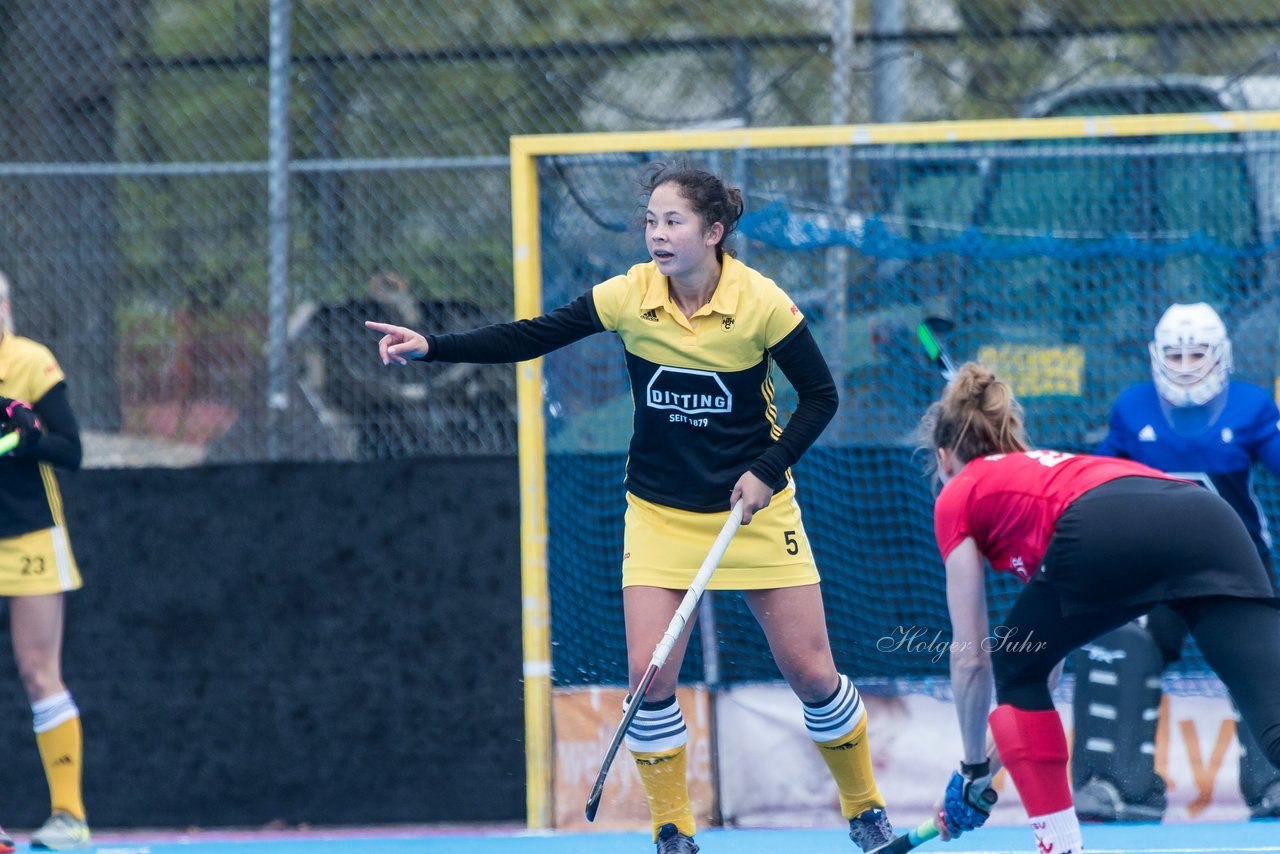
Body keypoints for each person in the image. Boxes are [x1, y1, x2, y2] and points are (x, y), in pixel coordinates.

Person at [366, 162, 895, 853]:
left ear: (714, 231)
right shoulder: (629, 296)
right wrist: (434, 347)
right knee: (650, 678)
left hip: (755, 514)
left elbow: (821, 397)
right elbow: (533, 334)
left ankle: (864, 810)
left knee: (813, 673)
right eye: (650, 221)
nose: (657, 235)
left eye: (673, 221)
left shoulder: (761, 302)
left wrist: (767, 471)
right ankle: (673, 830)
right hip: (658, 515)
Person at [918, 361, 1280, 854]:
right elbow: (1042, 677)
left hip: (1108, 521)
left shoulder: (959, 492)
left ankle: (1061, 847)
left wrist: (971, 771)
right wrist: (982, 773)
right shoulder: (1045, 477)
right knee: (1274, 717)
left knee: (1012, 660)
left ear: (943, 458)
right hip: (1210, 518)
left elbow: (972, 658)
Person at [1071, 302, 1280, 821]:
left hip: (1236, 575)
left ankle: (1273, 780)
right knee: (1119, 647)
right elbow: (1099, 481)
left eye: (1197, 352)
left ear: (1221, 355)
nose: (1186, 364)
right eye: (1176, 353)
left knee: (1266, 664)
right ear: (1156, 356)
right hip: (1152, 574)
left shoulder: (1252, 407)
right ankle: (1118, 784)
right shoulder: (1132, 408)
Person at [0, 272, 91, 850]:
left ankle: (69, 818)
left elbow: (72, 450)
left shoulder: (30, 362)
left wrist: (28, 438)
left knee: (38, 672)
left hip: (29, 535)